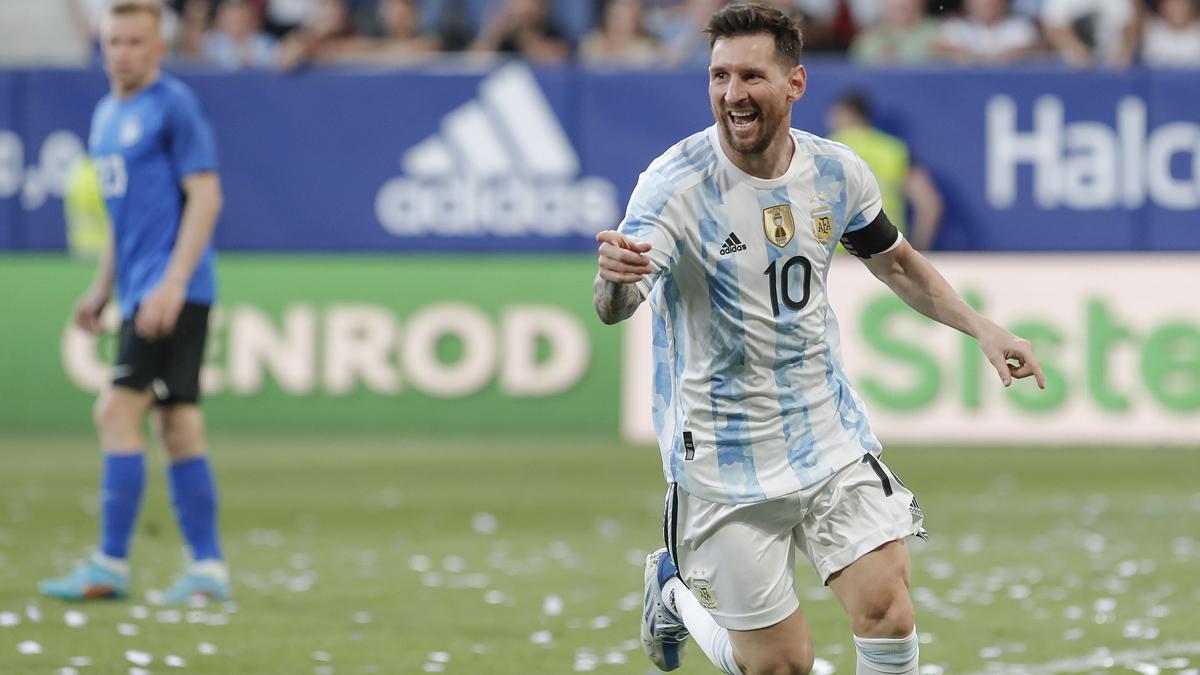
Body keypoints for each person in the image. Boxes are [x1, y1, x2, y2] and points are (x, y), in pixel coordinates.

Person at [592, 4, 1044, 674]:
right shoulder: (675, 185)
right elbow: (618, 302)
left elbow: (896, 261)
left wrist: (981, 325)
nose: (731, 93)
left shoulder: (838, 173)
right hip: (721, 455)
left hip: (823, 431)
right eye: (718, 76)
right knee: (780, 666)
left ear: (795, 84)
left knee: (888, 609)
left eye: (750, 76)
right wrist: (614, 281)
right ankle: (676, 590)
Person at [39, 0, 230, 605]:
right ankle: (208, 570)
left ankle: (109, 565)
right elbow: (125, 220)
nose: (122, 52)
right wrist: (101, 288)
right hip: (145, 288)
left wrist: (172, 282)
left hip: (172, 292)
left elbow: (206, 197)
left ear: (157, 48)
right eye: (114, 41)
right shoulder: (103, 117)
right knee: (177, 424)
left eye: (134, 42)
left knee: (116, 412)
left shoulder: (173, 106)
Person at [826, 91, 942, 251]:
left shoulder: (827, 150)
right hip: (887, 251)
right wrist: (916, 252)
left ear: (847, 115)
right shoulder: (893, 150)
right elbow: (929, 205)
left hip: (838, 253)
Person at [936, 0, 1042, 64]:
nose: (986, 4)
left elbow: (1034, 49)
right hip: (964, 88)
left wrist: (996, 59)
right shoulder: (956, 26)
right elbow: (939, 49)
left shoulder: (1020, 26)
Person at [1141, 0, 1200, 68]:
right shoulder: (1151, 31)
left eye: (1181, 3)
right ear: (1162, 6)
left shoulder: (1197, 33)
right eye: (1171, 4)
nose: (1176, 9)